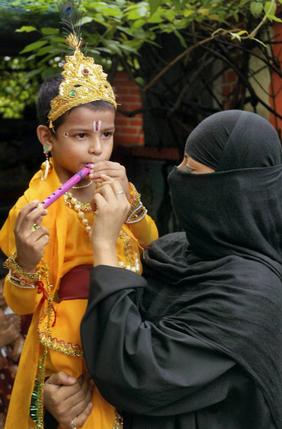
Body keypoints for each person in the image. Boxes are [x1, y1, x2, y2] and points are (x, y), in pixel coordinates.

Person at [45, 109, 282, 429]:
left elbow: (133, 370)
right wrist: (64, 391)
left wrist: (103, 243)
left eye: (192, 169)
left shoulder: (254, 295)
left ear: (232, 191)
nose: (178, 175)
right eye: (182, 161)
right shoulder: (171, 251)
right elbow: (93, 339)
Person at [0, 33, 158, 429]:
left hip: (129, 333)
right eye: (81, 135)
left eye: (106, 135)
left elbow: (151, 246)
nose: (97, 150)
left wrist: (130, 203)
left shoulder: (119, 186)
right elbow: (20, 306)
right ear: (47, 138)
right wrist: (26, 258)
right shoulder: (33, 209)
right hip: (68, 354)